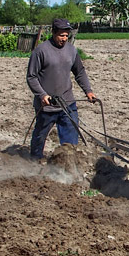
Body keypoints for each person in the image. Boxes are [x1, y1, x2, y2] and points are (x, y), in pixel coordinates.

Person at [26, 18, 97, 159]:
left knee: (71, 141)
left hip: (67, 103)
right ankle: (34, 163)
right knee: (40, 136)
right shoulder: (41, 51)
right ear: (53, 32)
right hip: (47, 106)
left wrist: (88, 90)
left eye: (66, 35)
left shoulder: (71, 50)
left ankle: (67, 166)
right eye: (61, 35)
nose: (64, 39)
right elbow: (31, 77)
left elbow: (80, 72)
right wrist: (42, 95)